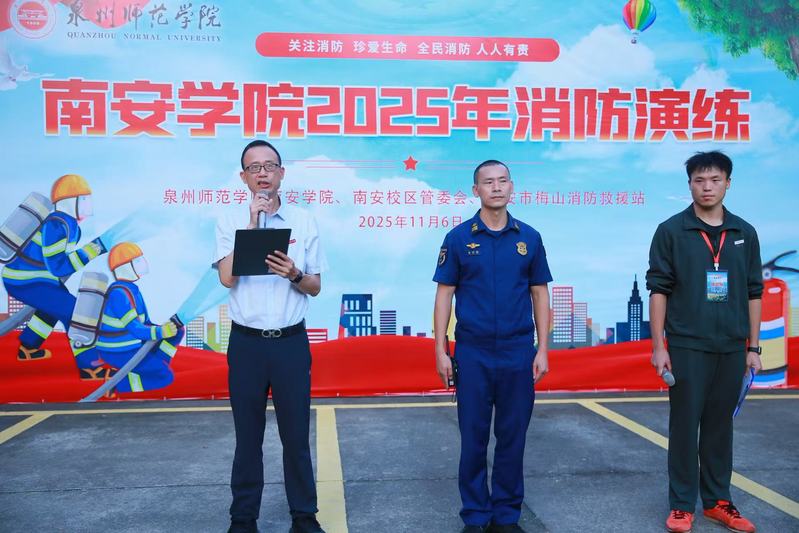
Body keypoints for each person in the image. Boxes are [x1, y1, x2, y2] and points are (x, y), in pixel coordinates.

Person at [214, 140, 327, 533]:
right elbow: (227, 278)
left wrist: (294, 273)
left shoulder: (304, 221)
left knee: (295, 436)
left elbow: (315, 286)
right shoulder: (229, 220)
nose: (262, 173)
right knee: (248, 438)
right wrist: (251, 225)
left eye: (269, 166)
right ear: (243, 177)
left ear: (281, 173)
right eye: (254, 168)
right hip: (246, 344)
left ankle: (304, 516)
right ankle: (243, 519)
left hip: (290, 344)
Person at [433, 160, 552, 533]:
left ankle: (505, 516)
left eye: (502, 181)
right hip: (474, 351)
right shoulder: (458, 239)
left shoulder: (529, 238)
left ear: (512, 187)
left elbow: (539, 294)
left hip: (518, 351)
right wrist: (441, 350)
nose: (496, 187)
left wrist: (543, 349)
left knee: (513, 437)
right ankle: (475, 515)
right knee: (473, 437)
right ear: (476, 190)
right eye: (488, 182)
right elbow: (444, 295)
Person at [646, 151, 762, 533]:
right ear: (690, 185)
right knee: (684, 426)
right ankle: (682, 505)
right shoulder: (671, 231)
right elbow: (659, 290)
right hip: (687, 344)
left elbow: (754, 292)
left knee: (719, 427)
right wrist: (659, 346)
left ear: (728, 183)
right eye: (699, 180)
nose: (707, 187)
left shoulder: (744, 233)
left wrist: (753, 348)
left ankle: (717, 501)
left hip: (731, 345)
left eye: (715, 180)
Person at [2, 174, 106, 361]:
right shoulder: (56, 226)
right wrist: (88, 253)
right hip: (26, 280)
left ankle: (27, 348)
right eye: (83, 200)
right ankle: (90, 366)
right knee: (74, 313)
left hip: (36, 279)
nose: (88, 207)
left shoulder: (67, 225)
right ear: (70, 202)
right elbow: (58, 267)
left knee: (53, 308)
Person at [74, 242, 184, 393]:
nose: (142, 264)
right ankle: (115, 385)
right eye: (137, 260)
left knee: (178, 332)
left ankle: (155, 364)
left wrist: (166, 328)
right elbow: (136, 329)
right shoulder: (119, 294)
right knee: (165, 377)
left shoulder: (132, 290)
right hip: (118, 350)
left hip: (131, 344)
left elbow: (145, 323)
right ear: (125, 266)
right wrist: (160, 332)